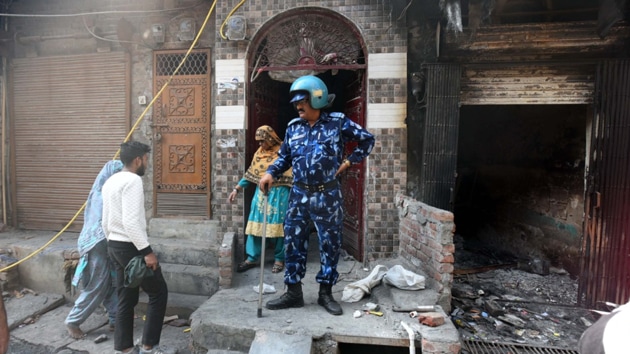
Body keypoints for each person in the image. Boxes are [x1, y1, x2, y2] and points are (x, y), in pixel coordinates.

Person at [259, 75, 375, 316]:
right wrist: (270, 172)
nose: (297, 106)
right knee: (293, 243)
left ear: (317, 99)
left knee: (329, 245)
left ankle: (325, 293)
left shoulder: (337, 123)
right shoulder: (293, 127)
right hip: (299, 194)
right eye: (295, 102)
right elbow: (285, 158)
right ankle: (293, 293)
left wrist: (348, 162)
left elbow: (367, 140)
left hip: (327, 195)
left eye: (302, 101)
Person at [103, 141, 169, 354]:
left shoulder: (111, 181)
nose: (147, 163)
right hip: (130, 247)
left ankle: (125, 349)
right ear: (138, 159)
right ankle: (149, 346)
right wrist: (147, 252)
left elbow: (104, 221)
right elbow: (131, 222)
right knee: (158, 292)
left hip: (114, 244)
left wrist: (111, 242)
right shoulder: (132, 181)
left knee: (126, 297)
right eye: (147, 159)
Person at [65, 160, 123, 339]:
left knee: (112, 282)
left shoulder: (104, 190)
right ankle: (73, 321)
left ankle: (115, 319)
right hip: (96, 243)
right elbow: (102, 223)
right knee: (98, 284)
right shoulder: (103, 194)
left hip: (106, 242)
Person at [228, 125, 292, 274]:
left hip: (280, 193)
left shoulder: (283, 151)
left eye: (263, 141)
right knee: (255, 225)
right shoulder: (259, 153)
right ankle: (251, 258)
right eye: (259, 141)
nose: (260, 144)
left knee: (278, 226)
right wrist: (236, 189)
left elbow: (290, 172)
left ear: (270, 139)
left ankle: (279, 258)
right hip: (261, 194)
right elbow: (251, 173)